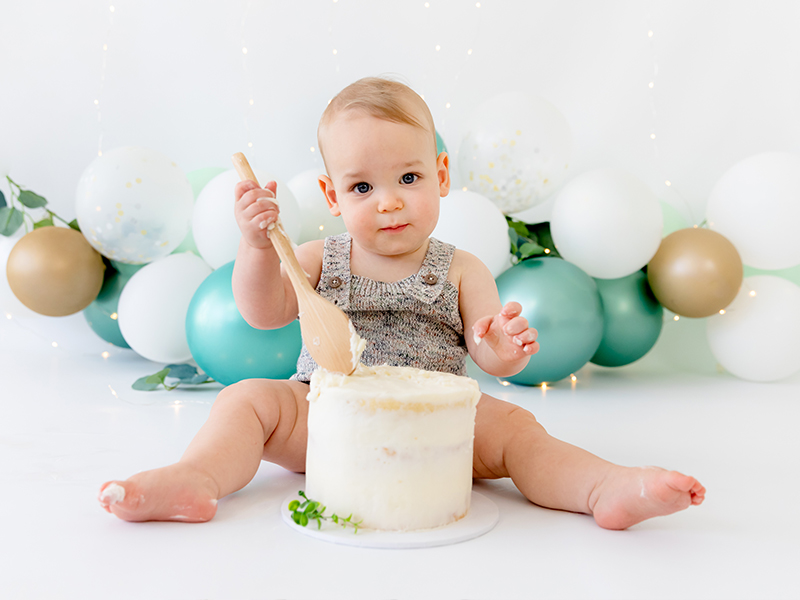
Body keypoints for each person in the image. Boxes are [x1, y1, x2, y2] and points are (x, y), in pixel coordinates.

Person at [99, 77, 705, 529]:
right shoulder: (315, 258)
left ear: (441, 174)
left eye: (408, 179)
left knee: (519, 431)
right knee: (247, 401)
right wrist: (258, 247)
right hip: (328, 417)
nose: (387, 201)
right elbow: (263, 312)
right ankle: (197, 477)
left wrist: (502, 348)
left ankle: (602, 487)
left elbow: (490, 356)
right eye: (362, 186)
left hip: (439, 427)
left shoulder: (462, 269)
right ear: (331, 195)